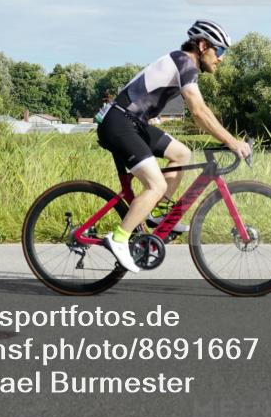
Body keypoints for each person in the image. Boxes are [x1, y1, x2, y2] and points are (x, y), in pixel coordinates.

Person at [96, 19, 252, 273]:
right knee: (155, 184)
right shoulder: (184, 63)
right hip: (119, 122)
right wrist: (232, 141)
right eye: (220, 51)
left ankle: (156, 213)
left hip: (133, 122)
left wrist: (229, 139)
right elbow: (199, 112)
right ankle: (119, 237)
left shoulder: (183, 64)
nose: (221, 58)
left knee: (182, 153)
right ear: (203, 46)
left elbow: (202, 111)